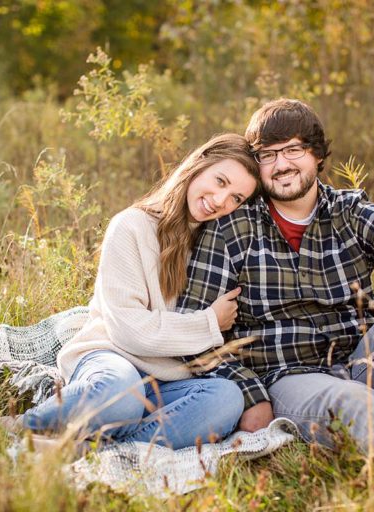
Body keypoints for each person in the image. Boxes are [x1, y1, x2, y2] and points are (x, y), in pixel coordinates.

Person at [177, 99, 374, 456]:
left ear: (317, 155)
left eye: (293, 149)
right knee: (354, 402)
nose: (281, 165)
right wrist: (250, 395)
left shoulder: (349, 213)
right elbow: (196, 330)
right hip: (291, 381)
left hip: (368, 365)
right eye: (267, 155)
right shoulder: (232, 228)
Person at [22, 133, 259, 449]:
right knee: (121, 394)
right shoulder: (131, 226)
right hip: (111, 359)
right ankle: (26, 425)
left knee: (227, 399)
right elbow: (128, 331)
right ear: (199, 165)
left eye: (236, 198)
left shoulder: (217, 247)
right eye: (220, 181)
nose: (220, 200)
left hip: (168, 380)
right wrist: (209, 323)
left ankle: (99, 449)